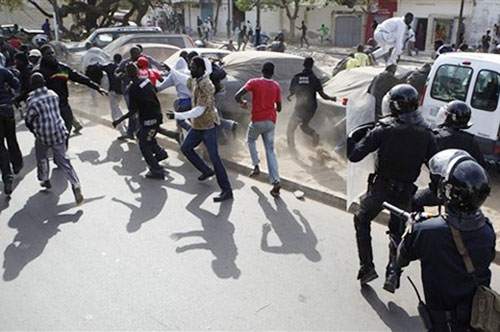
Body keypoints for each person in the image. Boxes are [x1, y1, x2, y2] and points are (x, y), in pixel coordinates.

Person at [347, 84, 436, 293]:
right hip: (406, 191)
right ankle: (393, 272)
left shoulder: (383, 129)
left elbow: (355, 155)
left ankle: (367, 267)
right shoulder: (426, 134)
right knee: (397, 231)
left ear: (395, 106)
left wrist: (354, 136)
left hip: (381, 188)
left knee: (361, 218)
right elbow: (435, 166)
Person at [398, 149, 495, 331]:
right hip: (477, 319)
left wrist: (412, 226)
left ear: (448, 191)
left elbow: (401, 258)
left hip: (444, 323)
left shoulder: (426, 231)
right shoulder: (487, 231)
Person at [166, 56, 232, 202]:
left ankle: (227, 191)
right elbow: (183, 79)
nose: (191, 69)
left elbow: (199, 110)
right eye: (190, 66)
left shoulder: (206, 85)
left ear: (201, 69)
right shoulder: (195, 80)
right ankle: (206, 170)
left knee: (215, 158)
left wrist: (177, 115)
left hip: (207, 125)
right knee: (186, 148)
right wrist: (169, 70)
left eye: (193, 67)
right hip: (197, 126)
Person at [412, 101, 494, 213]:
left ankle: (419, 225)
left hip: (437, 191)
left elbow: (422, 159)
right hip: (461, 195)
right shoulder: (470, 141)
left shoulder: (436, 137)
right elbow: (481, 164)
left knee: (415, 200)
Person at [25, 73, 84, 204]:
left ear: (32, 86)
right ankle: (76, 184)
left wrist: (35, 130)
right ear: (44, 82)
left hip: (43, 135)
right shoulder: (53, 95)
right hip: (59, 132)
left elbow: (28, 119)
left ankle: (44, 178)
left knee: (41, 157)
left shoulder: (32, 101)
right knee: (64, 160)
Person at [36, 44, 107, 141]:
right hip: (48, 106)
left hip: (63, 103)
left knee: (67, 127)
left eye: (52, 53)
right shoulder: (39, 71)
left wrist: (96, 87)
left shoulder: (62, 68)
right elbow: (29, 88)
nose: (51, 55)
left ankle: (62, 151)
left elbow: (79, 78)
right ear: (43, 56)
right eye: (48, 54)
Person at [112, 63, 168, 180]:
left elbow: (133, 111)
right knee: (143, 134)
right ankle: (160, 153)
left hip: (148, 119)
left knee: (144, 144)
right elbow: (154, 91)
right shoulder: (146, 80)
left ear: (127, 74)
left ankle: (156, 170)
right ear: (137, 71)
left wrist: (119, 120)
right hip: (157, 114)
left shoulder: (133, 88)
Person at [235, 62, 282, 196]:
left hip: (257, 121)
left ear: (262, 71)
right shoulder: (276, 86)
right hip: (271, 122)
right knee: (270, 151)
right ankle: (276, 181)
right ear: (273, 73)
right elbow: (279, 108)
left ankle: (256, 165)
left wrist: (242, 103)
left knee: (250, 140)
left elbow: (237, 96)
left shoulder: (254, 82)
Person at [287, 57, 336, 152]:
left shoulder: (296, 78)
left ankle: (292, 150)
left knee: (290, 129)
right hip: (311, 108)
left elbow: (292, 91)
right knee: (303, 125)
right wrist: (331, 98)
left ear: (303, 65)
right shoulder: (314, 79)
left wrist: (290, 95)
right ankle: (313, 134)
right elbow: (323, 95)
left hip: (300, 108)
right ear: (312, 65)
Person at [115, 46, 162, 140]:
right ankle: (132, 132)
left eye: (140, 53)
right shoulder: (126, 63)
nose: (139, 55)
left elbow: (154, 69)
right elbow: (117, 72)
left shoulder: (144, 60)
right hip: (129, 91)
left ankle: (138, 131)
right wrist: (121, 75)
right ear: (132, 54)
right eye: (136, 53)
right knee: (133, 111)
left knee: (141, 112)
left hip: (143, 91)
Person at [0, 64, 21, 195]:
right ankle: (17, 165)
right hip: (7, 108)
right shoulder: (3, 71)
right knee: (11, 138)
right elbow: (16, 83)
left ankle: (7, 176)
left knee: (0, 146)